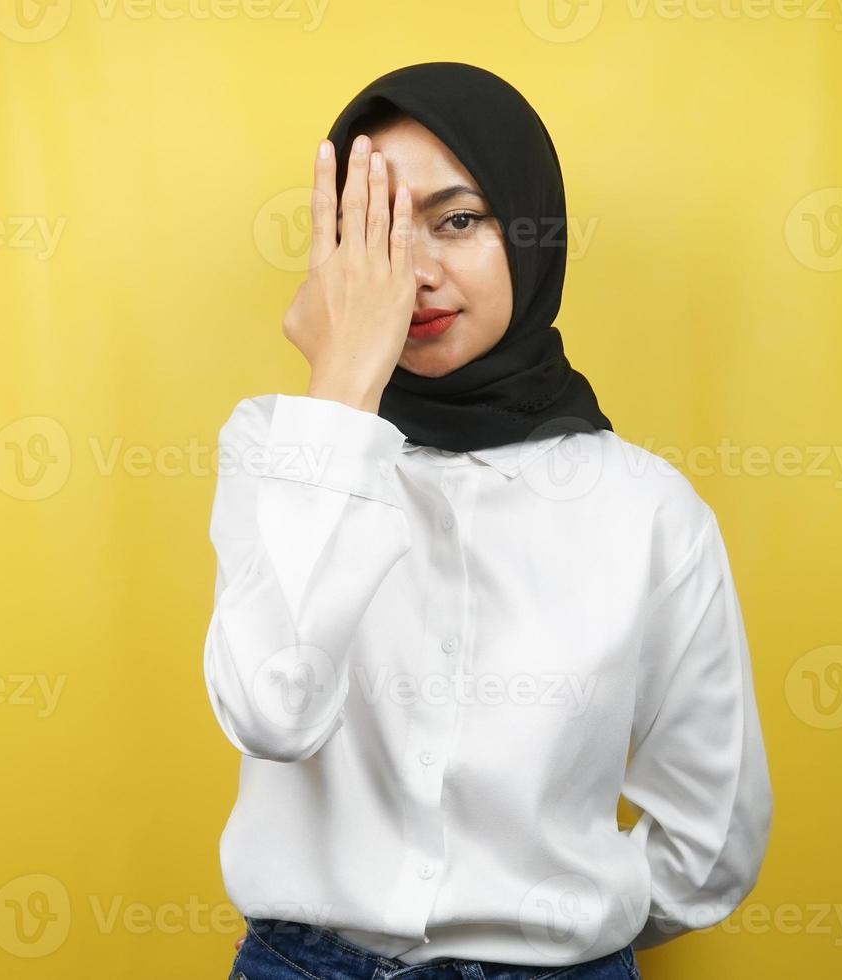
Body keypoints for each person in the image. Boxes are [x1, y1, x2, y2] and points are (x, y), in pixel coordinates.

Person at [203, 62, 772, 980]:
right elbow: (275, 711)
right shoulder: (280, 450)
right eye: (374, 231)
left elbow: (711, 847)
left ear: (530, 226)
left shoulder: (645, 509)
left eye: (457, 220)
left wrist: (561, 928)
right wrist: (343, 381)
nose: (415, 273)